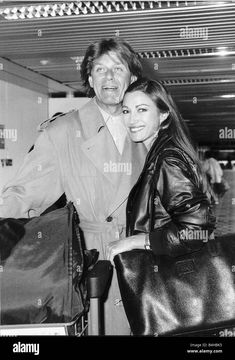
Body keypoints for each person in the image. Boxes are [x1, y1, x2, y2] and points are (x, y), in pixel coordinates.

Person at [0, 37, 146, 335]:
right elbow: (23, 196)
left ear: (132, 78)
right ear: (89, 78)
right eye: (100, 69)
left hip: (144, 263)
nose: (109, 77)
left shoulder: (148, 130)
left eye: (118, 69)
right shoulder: (63, 133)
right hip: (95, 265)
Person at [106, 78, 216, 263]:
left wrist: (137, 241)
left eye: (142, 109)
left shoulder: (167, 159)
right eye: (126, 111)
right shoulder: (160, 151)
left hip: (173, 277)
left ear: (163, 114)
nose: (132, 119)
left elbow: (197, 230)